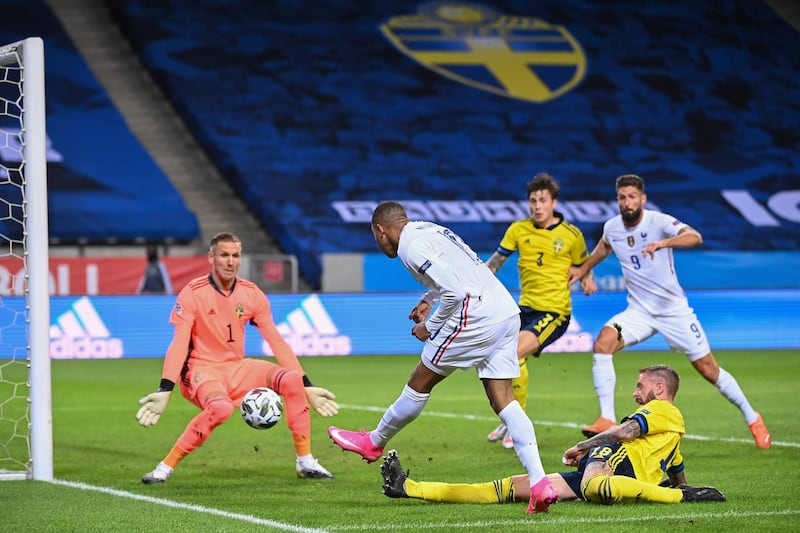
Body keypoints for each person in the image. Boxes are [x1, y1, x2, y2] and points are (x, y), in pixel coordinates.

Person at [328, 201, 559, 514]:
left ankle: (374, 441)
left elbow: (455, 292)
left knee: (420, 379)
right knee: (503, 400)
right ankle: (540, 483)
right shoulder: (429, 229)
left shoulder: (410, 247)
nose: (378, 243)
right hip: (505, 312)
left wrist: (430, 325)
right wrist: (427, 299)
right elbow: (458, 273)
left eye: (375, 237)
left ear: (381, 230)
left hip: (475, 316)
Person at [567, 174, 770, 448]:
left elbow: (694, 237)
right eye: (622, 197)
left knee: (708, 369)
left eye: (632, 197)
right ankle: (606, 418)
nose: (627, 202)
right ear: (618, 200)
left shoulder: (658, 222)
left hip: (673, 311)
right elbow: (604, 246)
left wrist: (663, 243)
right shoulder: (613, 227)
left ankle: (752, 417)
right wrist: (583, 269)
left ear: (643, 199)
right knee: (603, 344)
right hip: (638, 311)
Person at [136, 232, 339, 483]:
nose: (230, 261)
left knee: (291, 379)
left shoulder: (251, 294)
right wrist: (166, 388)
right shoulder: (193, 293)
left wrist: (307, 385)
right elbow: (179, 342)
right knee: (220, 409)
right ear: (211, 257)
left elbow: (276, 340)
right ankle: (164, 468)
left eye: (235, 256)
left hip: (237, 368)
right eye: (224, 255)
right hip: (201, 371)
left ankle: (305, 462)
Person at [381, 365, 727, 506]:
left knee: (596, 488)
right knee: (507, 489)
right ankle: (408, 488)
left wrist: (584, 445)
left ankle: (682, 502)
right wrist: (682, 483)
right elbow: (675, 463)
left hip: (613, 471)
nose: (635, 392)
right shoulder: (669, 430)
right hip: (596, 469)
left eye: (640, 386)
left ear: (659, 388)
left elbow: (626, 431)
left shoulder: (664, 410)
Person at [482, 172, 595, 448]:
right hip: (525, 308)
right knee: (498, 356)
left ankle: (515, 423)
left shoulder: (571, 235)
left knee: (513, 353)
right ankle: (509, 417)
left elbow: (583, 263)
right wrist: (477, 279)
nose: (537, 206)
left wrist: (587, 278)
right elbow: (496, 262)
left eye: (542, 200)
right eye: (532, 201)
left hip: (554, 312)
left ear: (553, 202)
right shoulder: (518, 229)